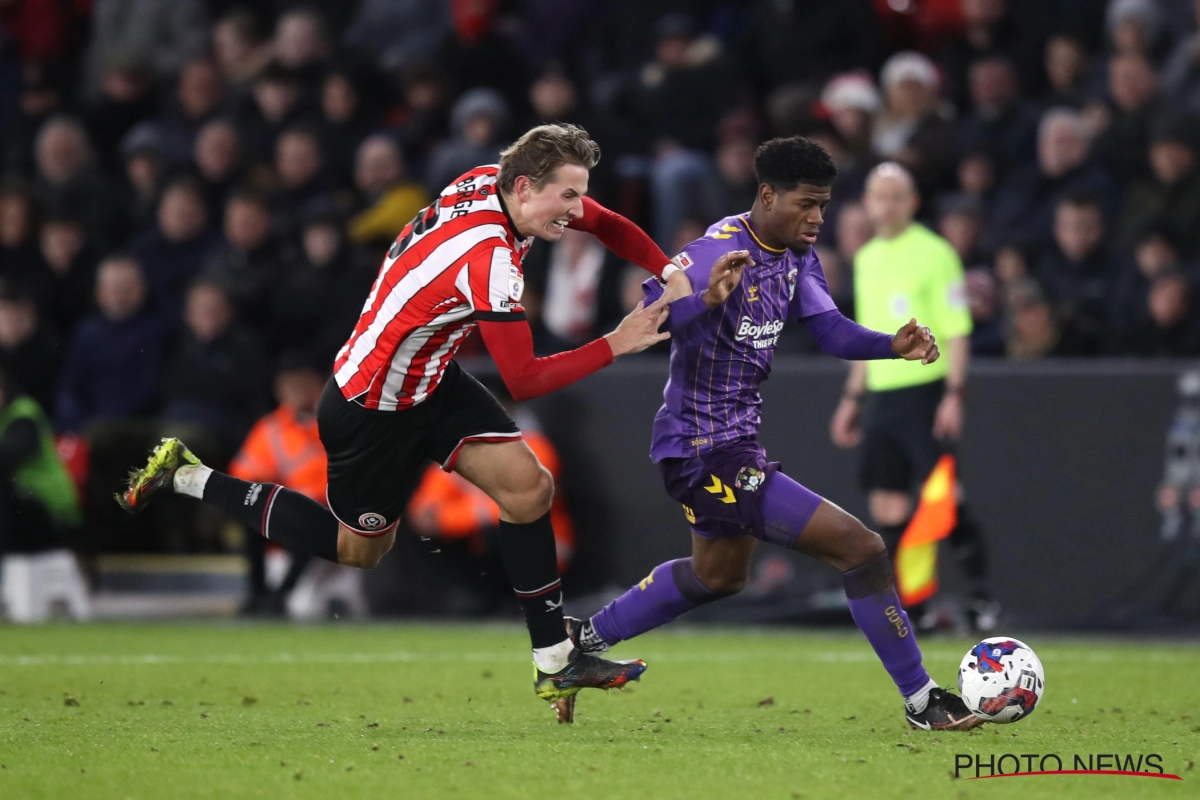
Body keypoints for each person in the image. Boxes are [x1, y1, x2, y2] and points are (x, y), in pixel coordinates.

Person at [118, 123, 715, 715]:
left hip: (428, 380)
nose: (575, 210)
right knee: (359, 551)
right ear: (527, 186)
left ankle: (556, 660)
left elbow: (606, 223)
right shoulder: (490, 259)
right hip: (369, 407)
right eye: (566, 196)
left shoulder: (490, 183)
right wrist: (616, 341)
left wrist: (668, 271)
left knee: (529, 487)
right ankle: (189, 477)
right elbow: (524, 379)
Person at [572, 137, 982, 731]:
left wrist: (890, 346)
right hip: (702, 448)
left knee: (718, 575)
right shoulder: (715, 249)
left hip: (731, 443)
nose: (819, 218)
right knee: (861, 547)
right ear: (768, 195)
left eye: (825, 206)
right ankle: (923, 702)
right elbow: (651, 315)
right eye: (808, 204)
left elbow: (832, 331)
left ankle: (577, 640)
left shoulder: (794, 255)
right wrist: (705, 298)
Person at [830, 162, 997, 633]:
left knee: (944, 497)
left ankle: (981, 596)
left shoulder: (936, 253)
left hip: (926, 390)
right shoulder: (866, 259)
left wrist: (954, 393)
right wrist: (852, 399)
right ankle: (915, 605)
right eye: (877, 196)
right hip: (883, 395)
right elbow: (864, 337)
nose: (885, 205)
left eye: (895, 196)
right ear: (866, 203)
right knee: (888, 506)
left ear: (912, 202)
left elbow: (957, 329)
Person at [228, 355, 327, 615]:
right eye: (290, 387)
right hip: (290, 516)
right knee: (251, 512)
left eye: (302, 385)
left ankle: (283, 594)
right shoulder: (271, 429)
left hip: (333, 515)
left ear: (318, 385)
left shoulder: (338, 422)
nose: (296, 393)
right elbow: (243, 476)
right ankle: (258, 594)